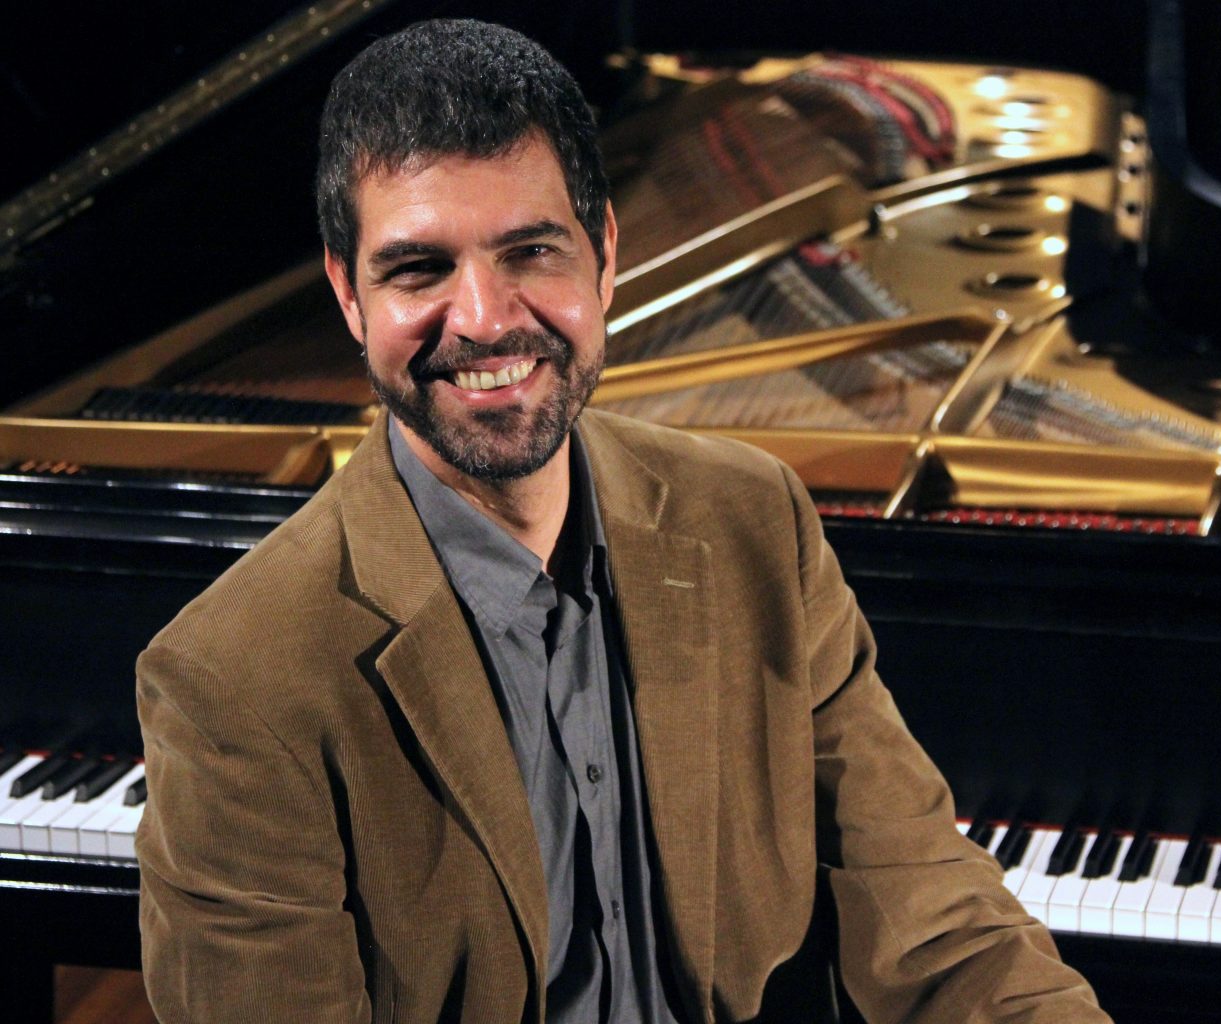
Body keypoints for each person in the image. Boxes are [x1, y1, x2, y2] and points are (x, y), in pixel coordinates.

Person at [135, 18, 1109, 1024]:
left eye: (530, 251)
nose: (484, 318)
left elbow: (938, 921)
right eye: (419, 268)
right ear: (349, 295)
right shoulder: (234, 682)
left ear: (603, 257)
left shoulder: (755, 525)